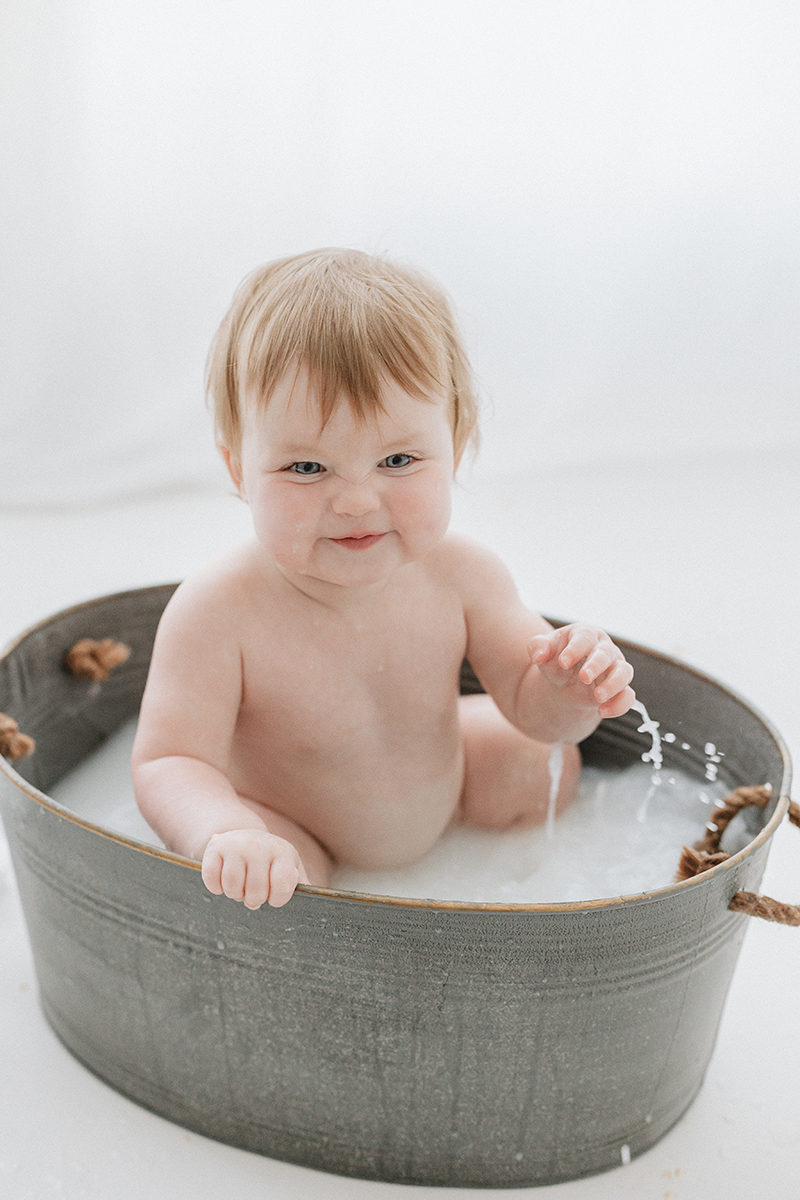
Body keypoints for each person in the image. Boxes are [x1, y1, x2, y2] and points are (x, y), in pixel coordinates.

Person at [132, 248, 635, 909]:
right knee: (281, 892)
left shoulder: (463, 574)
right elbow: (170, 761)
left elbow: (534, 708)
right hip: (299, 825)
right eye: (307, 469)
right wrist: (225, 830)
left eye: (397, 459)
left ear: (452, 449)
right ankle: (276, 860)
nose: (356, 503)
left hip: (444, 791)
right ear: (238, 472)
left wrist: (570, 689)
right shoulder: (219, 611)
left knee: (540, 764)